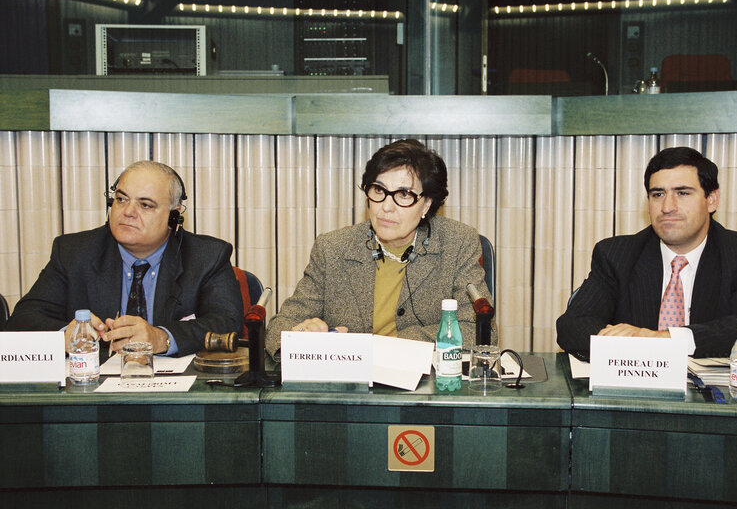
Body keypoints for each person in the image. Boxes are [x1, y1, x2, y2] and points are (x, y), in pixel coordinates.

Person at [265, 139, 495, 358]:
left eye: (404, 195)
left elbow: (481, 332)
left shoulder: (457, 243)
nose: (386, 207)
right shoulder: (332, 248)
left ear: (427, 204)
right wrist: (301, 335)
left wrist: (392, 345)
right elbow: (280, 329)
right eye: (378, 190)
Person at [7, 160, 243, 358]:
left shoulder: (207, 256)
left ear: (174, 217)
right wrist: (66, 333)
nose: (128, 211)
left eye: (145, 205)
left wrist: (162, 338)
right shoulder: (73, 252)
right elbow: (23, 320)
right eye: (121, 199)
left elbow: (227, 324)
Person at [557, 146, 737, 359]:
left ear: (711, 199)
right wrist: (626, 342)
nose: (667, 207)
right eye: (658, 194)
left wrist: (665, 339)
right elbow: (572, 326)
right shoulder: (616, 255)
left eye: (682, 193)